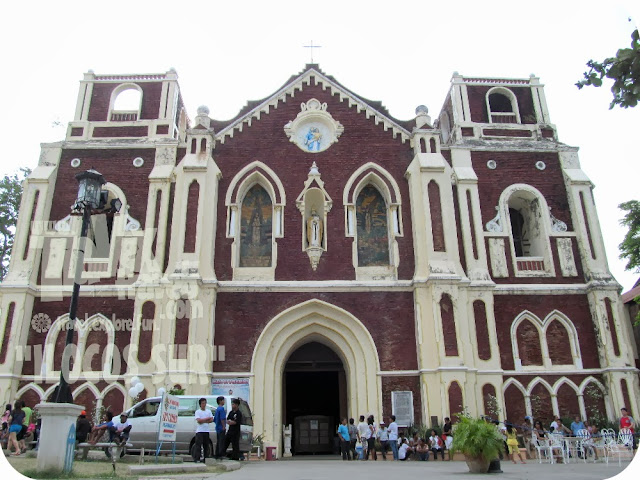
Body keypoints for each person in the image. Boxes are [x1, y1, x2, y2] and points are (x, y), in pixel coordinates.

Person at [193, 397, 213, 463]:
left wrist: (203, 420)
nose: (204, 405)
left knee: (206, 446)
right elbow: (199, 421)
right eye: (202, 403)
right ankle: (197, 458)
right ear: (200, 404)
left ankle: (206, 458)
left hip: (206, 431)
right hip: (200, 431)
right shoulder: (198, 412)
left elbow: (211, 419)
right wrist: (206, 419)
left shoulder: (208, 411)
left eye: (205, 403)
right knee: (198, 445)